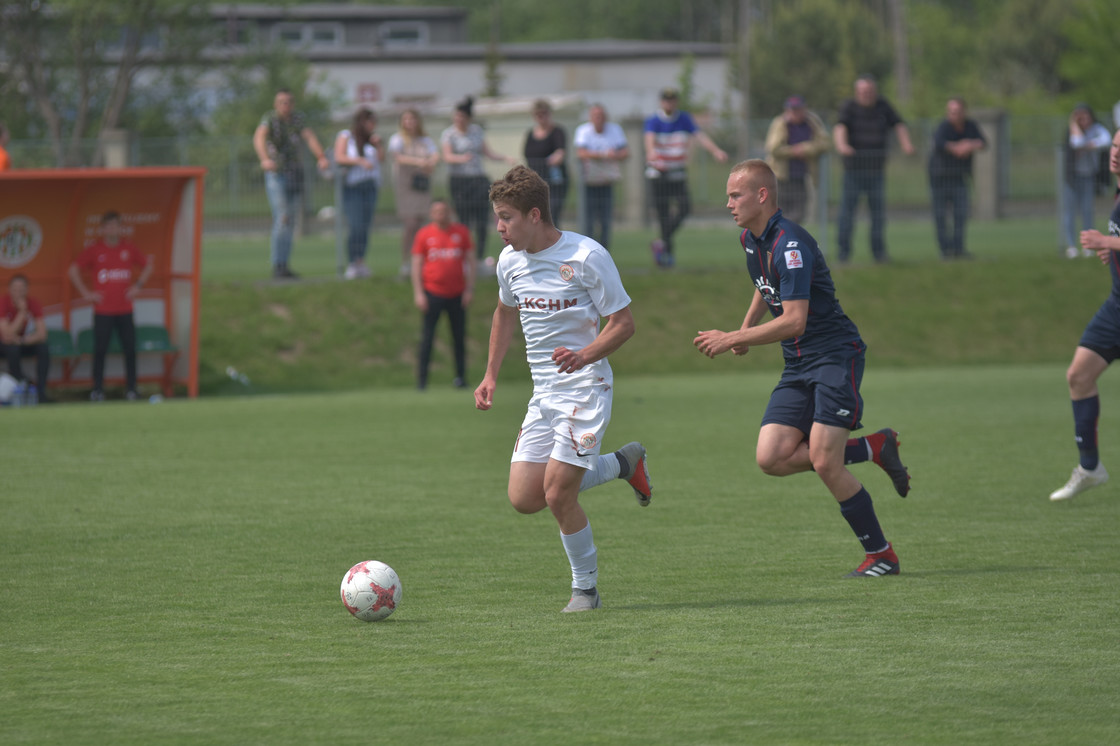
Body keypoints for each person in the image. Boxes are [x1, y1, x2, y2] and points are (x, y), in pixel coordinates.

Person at [693, 160, 911, 577]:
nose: (728, 203)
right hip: (797, 363)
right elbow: (764, 286)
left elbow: (795, 320)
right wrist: (745, 328)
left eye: (735, 195)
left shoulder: (790, 244)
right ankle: (875, 448)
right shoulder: (750, 240)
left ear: (762, 196)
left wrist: (732, 339)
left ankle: (881, 555)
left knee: (827, 463)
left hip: (833, 357)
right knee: (771, 457)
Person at [474, 165, 653, 612]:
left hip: (586, 388)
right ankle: (622, 464)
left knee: (557, 494)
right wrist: (490, 375)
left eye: (507, 217)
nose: (499, 228)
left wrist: (585, 354)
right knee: (524, 498)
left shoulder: (587, 257)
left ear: (535, 215)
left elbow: (624, 324)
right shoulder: (509, 263)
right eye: (497, 217)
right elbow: (503, 315)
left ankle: (585, 590)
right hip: (544, 395)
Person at [1049, 127, 1120, 501]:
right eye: (1116, 146)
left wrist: (1108, 241)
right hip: (1116, 308)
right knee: (1079, 375)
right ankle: (1090, 467)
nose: (1116, 154)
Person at [68, 211, 153, 401]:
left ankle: (132, 389)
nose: (112, 229)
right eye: (108, 226)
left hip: (125, 309)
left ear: (121, 228)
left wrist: (137, 286)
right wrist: (86, 293)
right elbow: (73, 270)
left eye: (116, 225)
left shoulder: (128, 248)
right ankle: (97, 390)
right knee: (100, 350)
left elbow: (148, 265)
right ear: (102, 229)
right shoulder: (95, 250)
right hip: (103, 311)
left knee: (130, 349)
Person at [643, 87, 728, 268]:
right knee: (663, 215)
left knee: (684, 207)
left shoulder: (684, 119)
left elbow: (700, 136)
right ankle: (667, 258)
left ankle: (660, 242)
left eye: (672, 100)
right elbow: (649, 140)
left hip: (677, 173)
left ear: (676, 102)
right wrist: (651, 153)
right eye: (666, 100)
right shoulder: (653, 121)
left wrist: (716, 150)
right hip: (658, 175)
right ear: (661, 102)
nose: (669, 103)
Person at [833, 75, 914, 264]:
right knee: (847, 213)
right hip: (853, 171)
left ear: (874, 92)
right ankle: (843, 254)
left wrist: (907, 144)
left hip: (876, 171)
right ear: (856, 93)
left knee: (878, 214)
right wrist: (842, 146)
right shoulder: (849, 107)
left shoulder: (883, 105)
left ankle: (879, 254)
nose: (866, 95)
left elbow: (899, 124)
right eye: (862, 92)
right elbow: (840, 127)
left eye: (869, 91)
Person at [253, 88, 331, 280]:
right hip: (276, 174)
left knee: (291, 220)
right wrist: (264, 159)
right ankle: (277, 264)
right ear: (275, 104)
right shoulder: (270, 119)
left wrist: (321, 157)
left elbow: (309, 137)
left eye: (289, 102)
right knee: (283, 217)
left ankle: (284, 265)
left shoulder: (297, 119)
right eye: (281, 102)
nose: (285, 106)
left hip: (294, 173)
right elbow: (259, 137)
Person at [441, 96, 515, 268]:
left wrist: (504, 158)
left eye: (462, 117)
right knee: (464, 221)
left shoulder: (476, 131)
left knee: (481, 220)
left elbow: (487, 152)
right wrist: (461, 158)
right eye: (457, 116)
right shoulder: (449, 134)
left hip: (477, 180)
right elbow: (447, 156)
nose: (459, 120)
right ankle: (465, 259)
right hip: (460, 181)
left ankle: (480, 258)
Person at [412, 200, 474, 390]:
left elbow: (471, 262)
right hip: (433, 293)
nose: (441, 215)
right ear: (431, 213)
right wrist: (419, 293)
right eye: (437, 211)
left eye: (444, 211)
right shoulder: (424, 234)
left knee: (458, 338)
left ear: (450, 212)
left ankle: (460, 378)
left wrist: (469, 289)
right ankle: (422, 381)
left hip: (457, 293)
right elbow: (416, 264)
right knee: (428, 338)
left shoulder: (461, 232)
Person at [928, 97, 986, 261]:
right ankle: (945, 251)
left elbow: (983, 142)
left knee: (961, 214)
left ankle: (959, 249)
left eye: (958, 112)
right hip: (939, 178)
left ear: (964, 112)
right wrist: (957, 148)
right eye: (952, 112)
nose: (955, 115)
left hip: (959, 177)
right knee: (940, 215)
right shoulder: (943, 126)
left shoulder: (970, 126)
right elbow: (939, 143)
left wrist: (969, 144)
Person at [389, 108, 440, 279]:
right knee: (410, 224)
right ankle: (406, 262)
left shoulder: (425, 140)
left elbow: (435, 156)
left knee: (421, 224)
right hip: (406, 186)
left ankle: (421, 262)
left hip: (422, 186)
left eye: (412, 119)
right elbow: (398, 157)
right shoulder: (397, 140)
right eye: (406, 119)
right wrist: (420, 162)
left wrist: (430, 163)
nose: (409, 122)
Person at [333, 107, 384, 280]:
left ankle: (361, 262)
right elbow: (339, 157)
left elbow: (381, 160)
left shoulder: (372, 140)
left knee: (365, 226)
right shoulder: (346, 136)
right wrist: (359, 161)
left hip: (370, 186)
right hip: (353, 186)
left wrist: (378, 145)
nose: (373, 125)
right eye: (370, 122)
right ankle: (352, 262)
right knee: (355, 225)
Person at [764, 95, 831, 224]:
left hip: (802, 177)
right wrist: (794, 151)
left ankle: (790, 239)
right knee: (778, 215)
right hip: (781, 178)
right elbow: (773, 148)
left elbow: (825, 144)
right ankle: (779, 241)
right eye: (791, 110)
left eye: (798, 109)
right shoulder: (780, 123)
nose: (795, 113)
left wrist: (805, 148)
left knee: (799, 215)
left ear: (804, 109)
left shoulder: (812, 122)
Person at [573, 103, 629, 250]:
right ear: (591, 118)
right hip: (588, 182)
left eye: (601, 116)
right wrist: (604, 155)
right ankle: (587, 250)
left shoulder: (615, 130)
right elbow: (581, 153)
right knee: (587, 221)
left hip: (607, 182)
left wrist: (614, 155)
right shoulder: (583, 131)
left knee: (605, 220)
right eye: (596, 116)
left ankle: (604, 252)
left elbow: (625, 152)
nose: (599, 119)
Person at [1061, 103, 1112, 259]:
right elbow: (1076, 143)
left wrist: (1089, 145)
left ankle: (1088, 246)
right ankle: (1071, 246)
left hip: (1088, 176)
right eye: (1079, 117)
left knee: (1087, 211)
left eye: (1085, 116)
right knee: (1069, 212)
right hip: (1072, 178)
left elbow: (1106, 140)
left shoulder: (1097, 129)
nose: (1083, 120)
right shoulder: (1071, 131)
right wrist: (1074, 125)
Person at [0, 274, 50, 402]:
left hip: (20, 341)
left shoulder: (33, 302)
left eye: (21, 289)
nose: (18, 292)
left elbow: (42, 334)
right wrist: (22, 312)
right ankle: (21, 384)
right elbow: (7, 335)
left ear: (27, 290)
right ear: (9, 289)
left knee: (43, 348)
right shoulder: (3, 302)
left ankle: (41, 393)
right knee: (13, 348)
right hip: (4, 344)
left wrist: (23, 340)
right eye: (15, 289)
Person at [523, 99, 569, 227]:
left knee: (552, 215)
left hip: (555, 182)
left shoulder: (557, 132)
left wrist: (555, 158)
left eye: (544, 113)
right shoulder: (530, 134)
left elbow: (560, 152)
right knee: (536, 216)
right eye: (538, 114)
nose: (541, 117)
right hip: (536, 181)